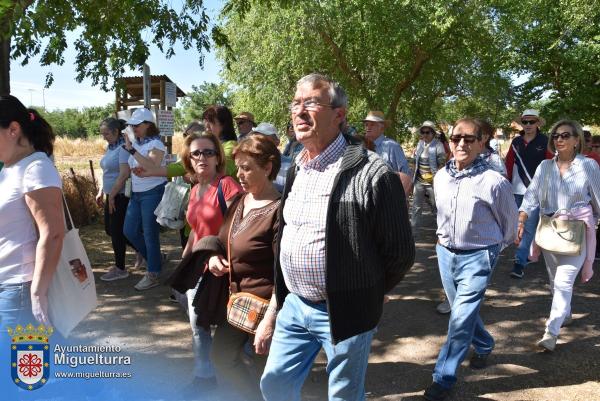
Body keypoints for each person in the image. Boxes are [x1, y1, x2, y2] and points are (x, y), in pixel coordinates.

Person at [260, 73, 415, 401]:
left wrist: (368, 291)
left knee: (343, 396)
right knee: (274, 385)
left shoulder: (373, 173)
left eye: (311, 103)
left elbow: (400, 253)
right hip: (294, 305)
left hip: (344, 310)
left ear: (339, 114)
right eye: (295, 104)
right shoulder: (297, 168)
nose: (300, 112)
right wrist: (278, 303)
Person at [423, 118, 517, 401]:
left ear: (481, 142)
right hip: (445, 254)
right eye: (456, 138)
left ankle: (443, 376)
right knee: (460, 312)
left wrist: (491, 251)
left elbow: (510, 226)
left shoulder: (493, 182)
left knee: (459, 319)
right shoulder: (440, 177)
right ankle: (485, 344)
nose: (461, 143)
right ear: (449, 141)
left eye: (469, 138)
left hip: (478, 256)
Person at [205, 135, 281, 401]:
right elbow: (222, 237)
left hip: (267, 306)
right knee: (221, 356)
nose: (239, 174)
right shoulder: (240, 200)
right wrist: (214, 257)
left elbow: (284, 272)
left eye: (247, 168)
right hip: (238, 303)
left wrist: (270, 320)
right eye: (238, 167)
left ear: (268, 168)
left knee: (268, 376)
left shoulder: (280, 211)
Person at [517, 120, 600, 351]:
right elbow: (532, 194)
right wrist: (522, 218)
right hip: (549, 230)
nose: (559, 139)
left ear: (576, 141)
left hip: (576, 231)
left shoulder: (588, 166)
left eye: (565, 135)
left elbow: (598, 197)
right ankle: (567, 313)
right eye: (556, 136)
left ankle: (551, 332)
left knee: (564, 281)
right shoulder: (545, 166)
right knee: (555, 283)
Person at [180, 131, 242, 394]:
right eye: (196, 153)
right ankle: (204, 375)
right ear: (189, 160)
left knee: (231, 326)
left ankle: (236, 370)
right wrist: (184, 264)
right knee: (198, 325)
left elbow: (240, 225)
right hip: (200, 267)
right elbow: (196, 230)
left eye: (208, 152)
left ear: (218, 157)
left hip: (224, 269)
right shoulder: (195, 190)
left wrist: (218, 254)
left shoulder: (227, 185)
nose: (202, 157)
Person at [0, 95, 64, 330]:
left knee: (17, 364)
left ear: (13, 129)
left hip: (19, 290)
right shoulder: (10, 168)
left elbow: (54, 233)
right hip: (9, 284)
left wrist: (38, 292)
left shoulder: (35, 169)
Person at [122, 108, 167, 291]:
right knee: (129, 231)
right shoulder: (139, 143)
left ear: (148, 125)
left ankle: (153, 272)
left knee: (149, 234)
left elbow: (151, 165)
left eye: (137, 125)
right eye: (132, 125)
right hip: (137, 193)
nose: (134, 128)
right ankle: (155, 258)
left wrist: (132, 151)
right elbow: (142, 167)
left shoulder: (156, 144)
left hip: (153, 192)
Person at [504, 109, 553, 279]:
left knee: (528, 228)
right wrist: (506, 185)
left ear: (538, 123)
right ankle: (524, 254)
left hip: (535, 193)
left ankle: (519, 262)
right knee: (514, 226)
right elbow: (509, 164)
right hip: (516, 190)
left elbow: (551, 167)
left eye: (532, 122)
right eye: (525, 122)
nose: (528, 125)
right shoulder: (516, 142)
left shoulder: (545, 141)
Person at [96, 118, 142, 281]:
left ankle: (120, 268)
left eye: (107, 133)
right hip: (111, 194)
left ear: (117, 132)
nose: (104, 137)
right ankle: (143, 251)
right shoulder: (111, 147)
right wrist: (102, 190)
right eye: (102, 134)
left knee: (116, 231)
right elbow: (107, 171)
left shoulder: (123, 148)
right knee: (111, 230)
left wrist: (113, 196)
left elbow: (123, 175)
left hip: (120, 195)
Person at [411, 121, 446, 230]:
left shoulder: (438, 145)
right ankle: (412, 230)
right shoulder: (420, 144)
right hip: (419, 181)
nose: (425, 135)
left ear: (433, 133)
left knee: (435, 206)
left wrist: (436, 179)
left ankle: (441, 230)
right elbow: (416, 161)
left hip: (433, 183)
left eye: (427, 132)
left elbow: (442, 163)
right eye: (423, 132)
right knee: (416, 206)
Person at [363, 110, 410, 174]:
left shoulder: (392, 147)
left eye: (372, 124)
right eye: (366, 124)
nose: (368, 127)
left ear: (382, 127)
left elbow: (406, 175)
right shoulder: (364, 146)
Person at [203, 105, 238, 177]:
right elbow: (182, 165)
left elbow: (222, 170)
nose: (207, 126)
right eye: (206, 121)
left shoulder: (231, 145)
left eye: (211, 121)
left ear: (223, 124)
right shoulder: (210, 145)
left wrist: (193, 176)